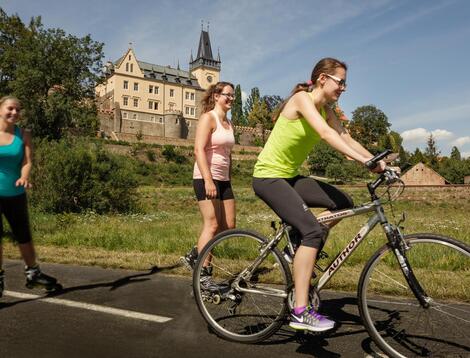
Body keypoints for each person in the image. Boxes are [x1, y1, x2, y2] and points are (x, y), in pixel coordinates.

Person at [252, 58, 385, 332]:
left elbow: (346, 138)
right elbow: (325, 134)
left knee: (342, 202)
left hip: (289, 177)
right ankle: (300, 312)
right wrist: (363, 162)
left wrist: (379, 162)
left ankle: (301, 245)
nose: (344, 88)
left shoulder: (327, 109)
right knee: (313, 231)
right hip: (268, 176)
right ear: (323, 79)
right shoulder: (302, 99)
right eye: (341, 81)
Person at [0, 96, 60, 298]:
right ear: (1, 109)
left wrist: (24, 177)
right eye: (10, 108)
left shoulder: (24, 134)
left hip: (15, 194)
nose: (14, 113)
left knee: (24, 237)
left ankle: (33, 273)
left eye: (18, 110)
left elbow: (27, 161)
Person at [182, 82, 236, 289]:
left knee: (228, 227)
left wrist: (227, 179)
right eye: (227, 95)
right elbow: (198, 150)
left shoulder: (229, 124)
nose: (230, 98)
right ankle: (203, 275)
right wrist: (208, 180)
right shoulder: (208, 118)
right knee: (212, 225)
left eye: (233, 96)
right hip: (206, 178)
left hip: (223, 180)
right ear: (215, 96)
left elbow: (228, 155)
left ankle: (194, 255)